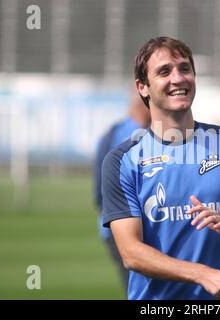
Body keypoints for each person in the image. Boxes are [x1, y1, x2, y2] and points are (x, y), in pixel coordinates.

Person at [101, 37, 220, 300]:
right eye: (164, 71)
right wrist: (202, 274)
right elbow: (131, 253)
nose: (178, 78)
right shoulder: (122, 160)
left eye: (185, 69)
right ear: (143, 87)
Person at [93, 87, 151, 294]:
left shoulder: (113, 132)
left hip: (122, 226)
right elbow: (103, 189)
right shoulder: (126, 136)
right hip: (124, 228)